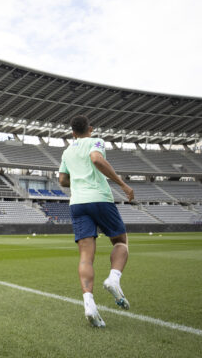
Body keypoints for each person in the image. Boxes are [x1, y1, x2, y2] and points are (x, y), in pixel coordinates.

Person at [58, 115, 135, 328]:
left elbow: (62, 180)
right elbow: (97, 159)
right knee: (121, 241)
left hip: (77, 203)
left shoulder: (67, 151)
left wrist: (79, 177)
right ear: (90, 129)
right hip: (99, 198)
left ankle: (89, 304)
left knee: (85, 256)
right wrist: (123, 185)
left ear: (73, 132)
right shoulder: (96, 141)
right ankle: (113, 278)